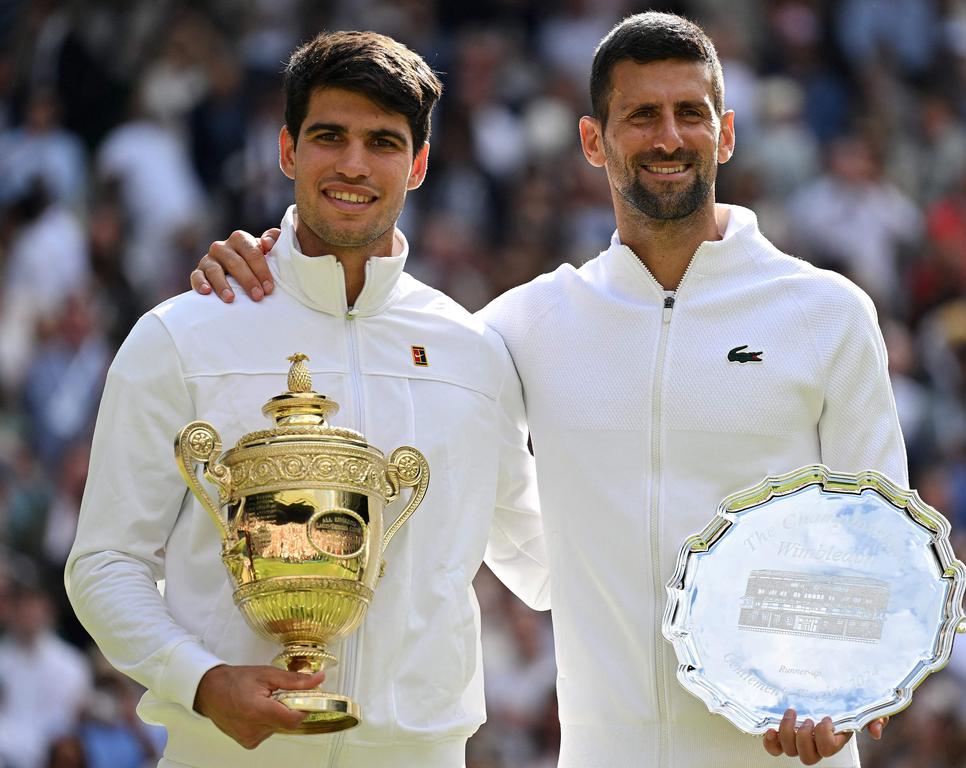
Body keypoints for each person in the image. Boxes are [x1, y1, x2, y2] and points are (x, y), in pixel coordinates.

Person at [191, 13, 904, 767]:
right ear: (594, 141)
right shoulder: (523, 323)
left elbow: (882, 545)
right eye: (641, 115)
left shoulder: (827, 314)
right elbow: (365, 331)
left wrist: (840, 686)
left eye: (689, 113)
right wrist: (274, 268)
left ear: (725, 133)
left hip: (785, 751)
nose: (668, 137)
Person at [66, 30, 548, 768]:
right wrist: (202, 681)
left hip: (418, 753)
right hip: (226, 751)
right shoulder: (183, 334)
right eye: (330, 137)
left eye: (383, 142)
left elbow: (543, 563)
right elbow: (104, 563)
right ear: (288, 150)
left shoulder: (471, 352)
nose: (354, 165)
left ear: (418, 165)